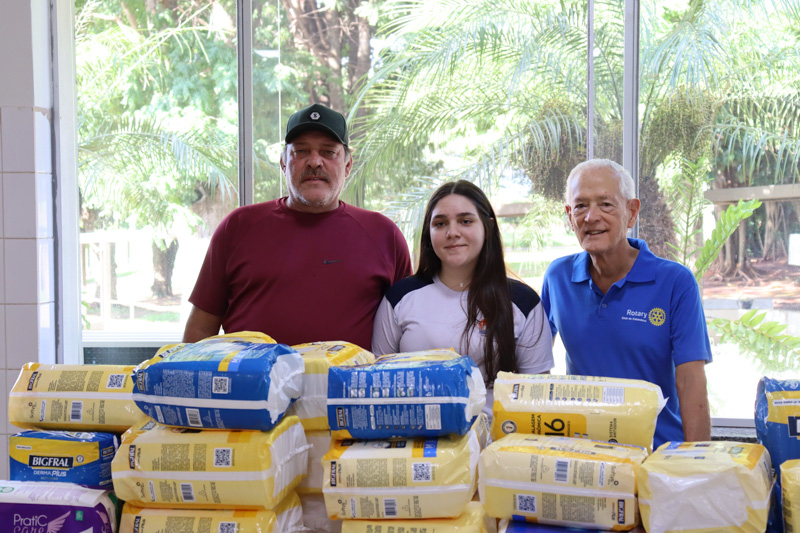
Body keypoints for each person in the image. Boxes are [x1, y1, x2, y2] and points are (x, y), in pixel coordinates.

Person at [183, 103, 412, 348]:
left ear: (347, 165)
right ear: (283, 163)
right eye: (301, 151)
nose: (314, 162)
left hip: (351, 375)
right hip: (250, 374)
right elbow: (201, 328)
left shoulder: (384, 235)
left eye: (328, 152)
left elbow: (408, 327)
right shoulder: (237, 227)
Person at [541, 158, 712, 449]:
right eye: (580, 206)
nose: (591, 217)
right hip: (585, 455)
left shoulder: (675, 282)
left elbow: (691, 381)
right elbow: (533, 366)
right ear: (570, 215)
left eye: (606, 204)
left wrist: (697, 460)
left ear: (632, 212)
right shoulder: (558, 277)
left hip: (658, 454)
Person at [372, 180, 554, 415]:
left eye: (465, 221)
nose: (452, 232)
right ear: (429, 232)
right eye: (440, 224)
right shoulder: (399, 298)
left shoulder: (523, 302)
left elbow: (537, 398)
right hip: (414, 435)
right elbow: (377, 384)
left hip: (496, 435)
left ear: (488, 227)